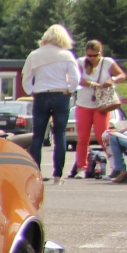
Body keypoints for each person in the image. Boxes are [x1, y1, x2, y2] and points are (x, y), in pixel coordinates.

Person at [22, 24, 79, 183]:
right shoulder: (66, 55)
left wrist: (30, 90)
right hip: (61, 94)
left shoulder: (35, 55)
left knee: (38, 136)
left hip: (41, 95)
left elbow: (26, 76)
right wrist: (70, 90)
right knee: (60, 135)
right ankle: (58, 175)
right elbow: (75, 78)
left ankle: (35, 173)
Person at [70, 39, 125, 178]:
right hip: (84, 103)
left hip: (102, 105)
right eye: (90, 55)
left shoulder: (107, 62)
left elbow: (122, 75)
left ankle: (116, 166)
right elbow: (77, 79)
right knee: (83, 138)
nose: (93, 58)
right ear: (86, 54)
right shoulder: (81, 62)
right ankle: (82, 167)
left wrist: (112, 80)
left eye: (96, 55)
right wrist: (93, 84)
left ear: (101, 53)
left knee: (104, 137)